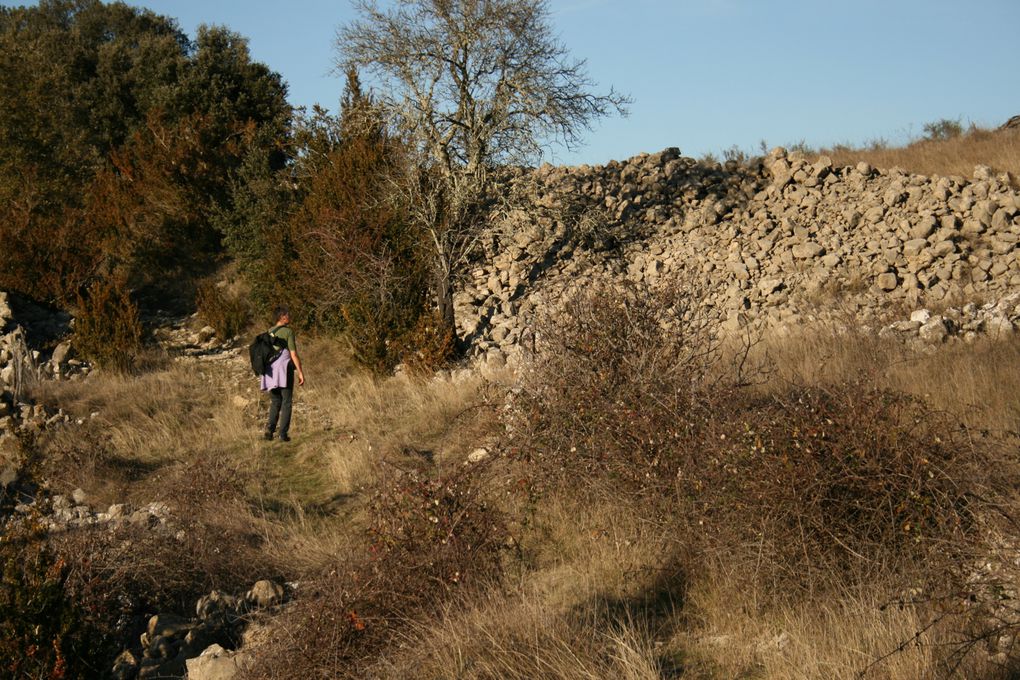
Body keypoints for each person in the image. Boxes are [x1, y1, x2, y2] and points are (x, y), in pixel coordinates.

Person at [260, 305, 305, 442]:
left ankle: (269, 430)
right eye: (288, 315)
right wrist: (300, 372)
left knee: (275, 401)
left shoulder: (268, 332)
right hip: (284, 370)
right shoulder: (288, 332)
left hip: (269, 372)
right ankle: (282, 434)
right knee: (286, 402)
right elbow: (293, 354)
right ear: (282, 317)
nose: (290, 317)